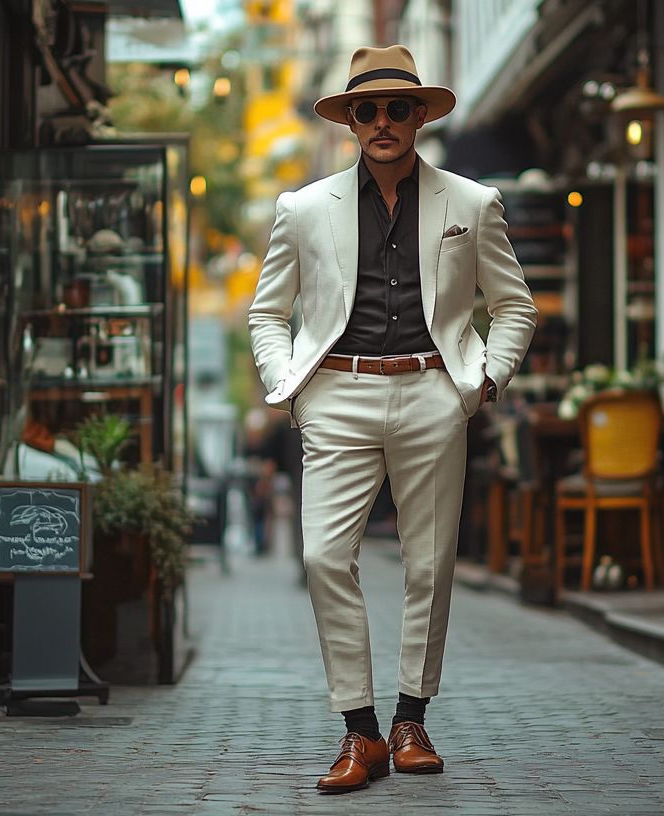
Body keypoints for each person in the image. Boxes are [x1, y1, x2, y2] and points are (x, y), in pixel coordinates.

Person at [247, 45, 537, 794]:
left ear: (418, 117)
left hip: (433, 393)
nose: (382, 121)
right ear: (350, 121)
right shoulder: (303, 208)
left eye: (397, 108)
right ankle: (360, 731)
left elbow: (514, 307)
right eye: (367, 110)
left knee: (430, 563)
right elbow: (267, 312)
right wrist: (289, 387)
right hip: (337, 395)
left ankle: (411, 719)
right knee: (322, 558)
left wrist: (481, 382)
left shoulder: (473, 203)